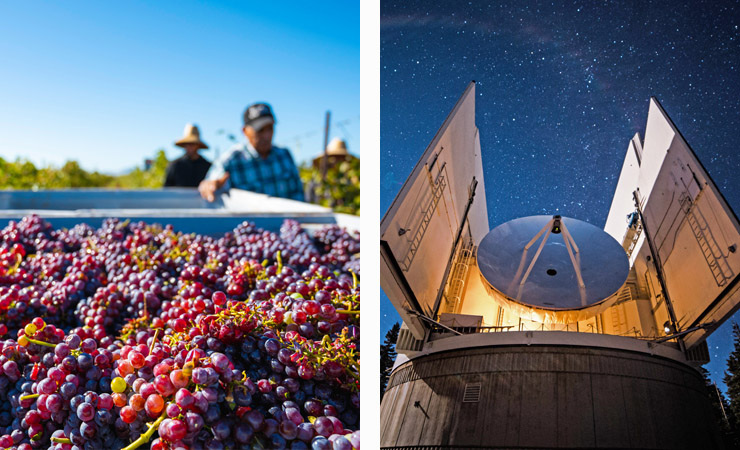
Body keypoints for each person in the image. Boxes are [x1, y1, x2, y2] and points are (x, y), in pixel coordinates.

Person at [198, 103, 304, 202]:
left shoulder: (284, 156)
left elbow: (298, 196)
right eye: (260, 130)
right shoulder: (231, 160)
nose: (267, 136)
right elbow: (213, 181)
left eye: (270, 128)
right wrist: (210, 185)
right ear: (244, 131)